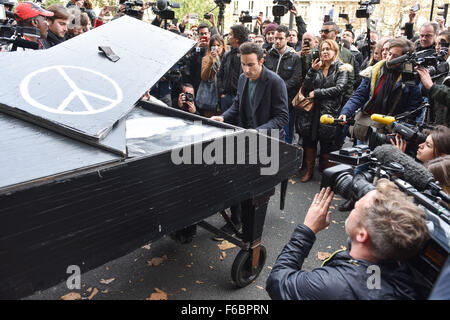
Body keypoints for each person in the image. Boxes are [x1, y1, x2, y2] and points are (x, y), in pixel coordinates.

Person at [266, 179, 430, 300]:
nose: (354, 205)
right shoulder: (404, 274)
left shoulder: (333, 285)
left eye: (356, 206)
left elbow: (278, 282)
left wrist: (307, 229)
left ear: (362, 235)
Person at [211, 42, 289, 234]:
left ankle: (249, 226)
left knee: (251, 186)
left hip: (266, 140)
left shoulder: (275, 82)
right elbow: (237, 105)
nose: (246, 69)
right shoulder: (242, 78)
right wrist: (223, 116)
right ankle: (235, 219)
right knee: (234, 177)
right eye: (243, 64)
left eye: (251, 65)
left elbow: (282, 117)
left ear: (261, 61)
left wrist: (258, 131)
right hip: (246, 136)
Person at [339, 38, 423, 143]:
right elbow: (359, 95)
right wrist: (346, 112)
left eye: (395, 56)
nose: (389, 58)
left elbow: (413, 107)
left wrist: (401, 128)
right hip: (366, 126)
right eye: (389, 54)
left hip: (390, 132)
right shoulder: (375, 70)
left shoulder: (410, 78)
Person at [298, 39, 352, 182]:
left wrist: (318, 93)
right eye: (323, 49)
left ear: (335, 51)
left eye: (329, 49)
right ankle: (309, 171)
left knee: (327, 144)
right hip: (311, 111)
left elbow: (339, 88)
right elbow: (306, 87)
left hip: (329, 112)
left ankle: (327, 175)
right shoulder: (317, 66)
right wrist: (312, 71)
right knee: (309, 141)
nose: (325, 52)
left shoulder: (342, 68)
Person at [264, 25, 302, 143]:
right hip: (268, 101)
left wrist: (278, 87)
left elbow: (296, 78)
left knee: (285, 136)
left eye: (280, 38)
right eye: (276, 38)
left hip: (286, 102)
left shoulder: (294, 57)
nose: (277, 41)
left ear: (287, 39)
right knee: (268, 134)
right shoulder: (268, 55)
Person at [216, 24, 249, 113]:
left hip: (242, 99)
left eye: (230, 34)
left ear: (237, 38)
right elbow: (220, 75)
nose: (228, 37)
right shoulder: (227, 55)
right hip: (227, 98)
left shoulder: (248, 54)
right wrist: (222, 92)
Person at [199, 34, 228, 117]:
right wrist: (210, 62)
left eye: (218, 45)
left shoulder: (227, 58)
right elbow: (204, 78)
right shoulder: (206, 59)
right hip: (209, 96)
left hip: (223, 93)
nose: (216, 48)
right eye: (213, 45)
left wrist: (218, 60)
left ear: (223, 46)